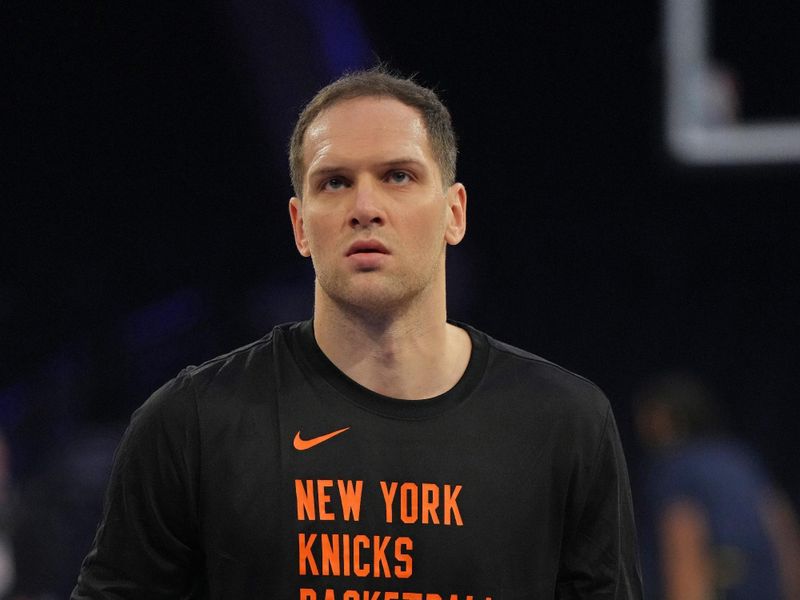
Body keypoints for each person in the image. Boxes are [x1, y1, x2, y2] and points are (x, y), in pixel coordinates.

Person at [72, 67, 642, 599]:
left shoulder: (565, 422)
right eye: (335, 182)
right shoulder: (191, 424)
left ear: (454, 212)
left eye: (398, 176)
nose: (365, 207)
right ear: (299, 225)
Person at [634, 371, 800, 600]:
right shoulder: (740, 457)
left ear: (669, 417)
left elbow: (683, 548)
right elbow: (782, 528)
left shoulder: (674, 468)